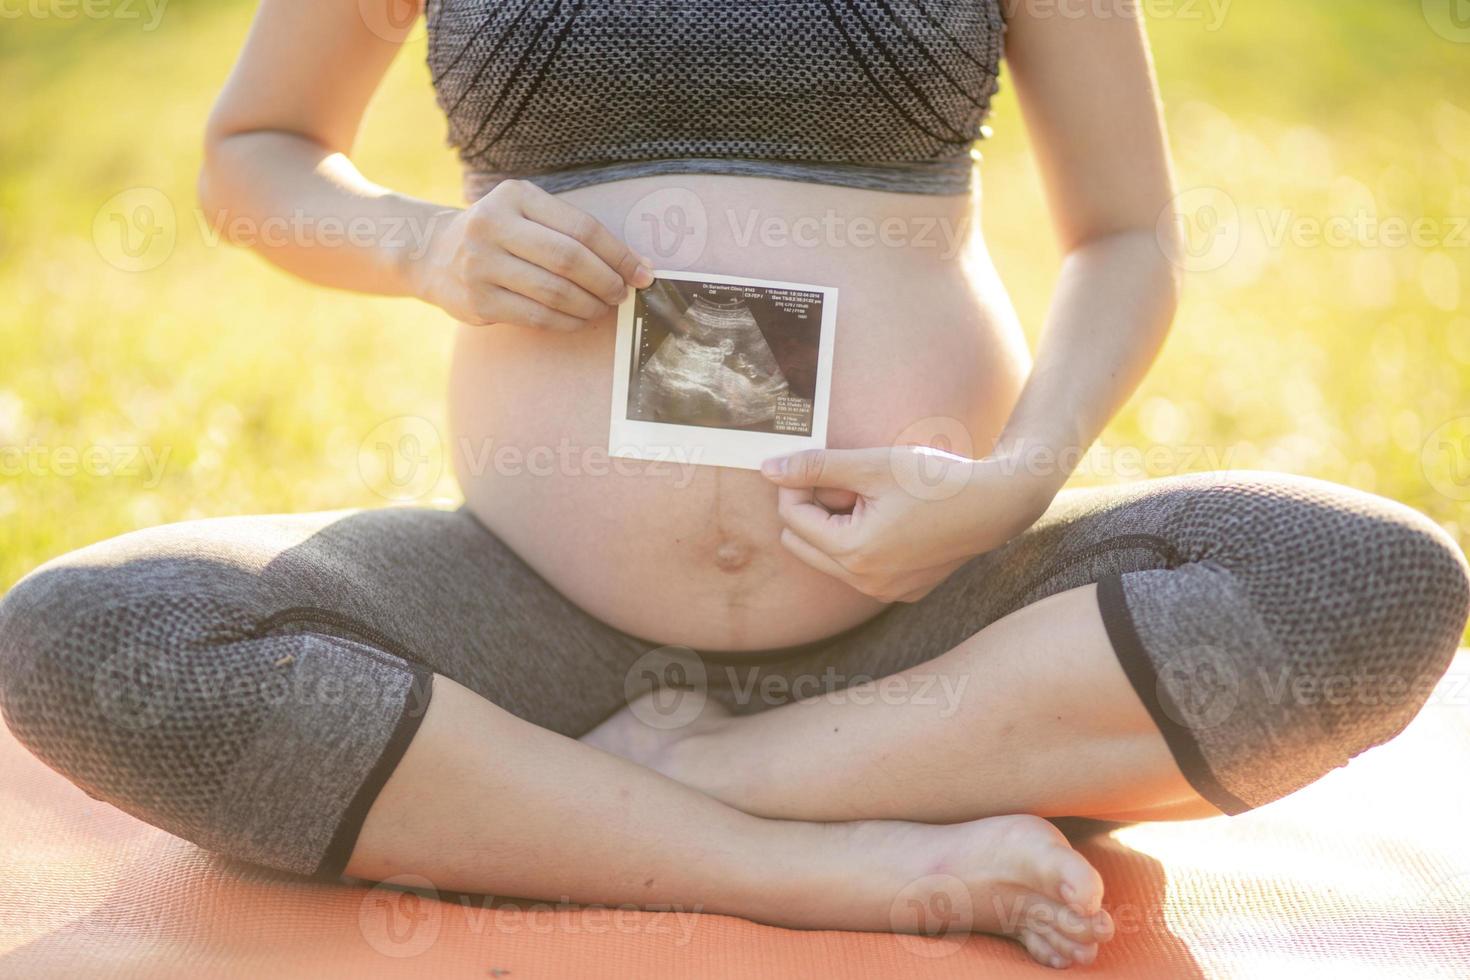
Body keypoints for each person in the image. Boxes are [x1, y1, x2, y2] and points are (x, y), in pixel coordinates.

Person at [1, 1, 1466, 969]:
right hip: (526, 639)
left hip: (926, 635)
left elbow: (1127, 229)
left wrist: (1014, 481)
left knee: (1368, 578)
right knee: (93, 631)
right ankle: (803, 863)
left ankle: (714, 778)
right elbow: (255, 157)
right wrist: (419, 247)